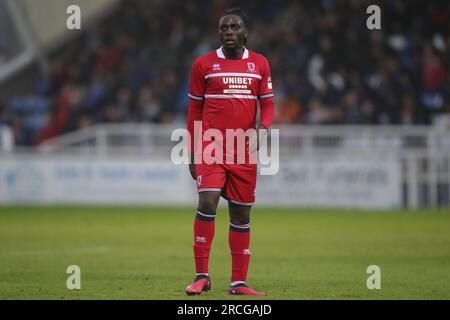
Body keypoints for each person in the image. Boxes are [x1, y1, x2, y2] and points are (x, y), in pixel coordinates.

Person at [185, 7, 274, 296]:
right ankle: (201, 276)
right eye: (224, 28)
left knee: (240, 215)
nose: (228, 32)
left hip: (243, 149)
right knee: (208, 201)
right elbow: (194, 110)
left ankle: (238, 283)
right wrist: (193, 151)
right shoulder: (203, 64)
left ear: (245, 33)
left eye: (234, 27)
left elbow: (269, 104)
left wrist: (263, 128)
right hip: (211, 147)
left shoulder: (259, 64)